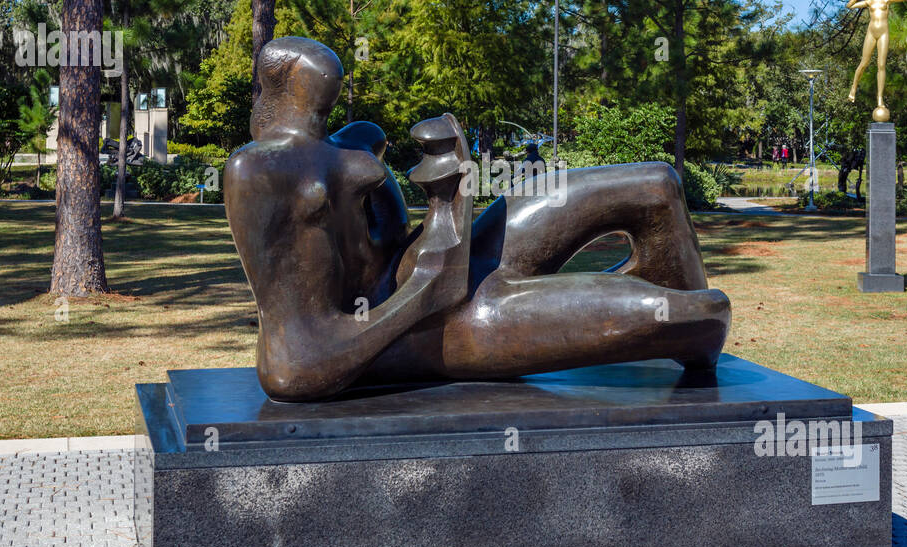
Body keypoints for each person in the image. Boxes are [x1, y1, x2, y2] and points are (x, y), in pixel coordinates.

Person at [225, 38, 730, 400]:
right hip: (409, 332)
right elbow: (298, 366)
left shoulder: (354, 141)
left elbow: (392, 239)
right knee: (701, 313)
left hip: (422, 272)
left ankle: (688, 340)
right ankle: (687, 330)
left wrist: (445, 205)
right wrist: (426, 293)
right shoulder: (258, 172)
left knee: (657, 185)